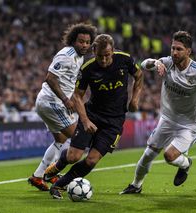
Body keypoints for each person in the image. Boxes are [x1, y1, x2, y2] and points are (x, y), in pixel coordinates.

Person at [120, 31, 196, 194]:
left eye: (179, 49)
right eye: (172, 48)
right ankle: (136, 185)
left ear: (188, 51)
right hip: (167, 119)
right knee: (148, 153)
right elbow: (143, 64)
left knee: (169, 156)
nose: (174, 52)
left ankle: (186, 164)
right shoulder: (166, 62)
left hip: (190, 124)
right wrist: (155, 62)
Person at [43, 34, 143, 199]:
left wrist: (135, 99)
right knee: (73, 156)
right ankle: (57, 166)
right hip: (92, 115)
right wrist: (85, 120)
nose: (103, 60)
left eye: (107, 55)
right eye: (100, 56)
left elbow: (139, 76)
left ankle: (58, 185)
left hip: (114, 122)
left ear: (113, 51)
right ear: (94, 51)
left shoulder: (125, 60)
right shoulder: (88, 68)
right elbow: (77, 96)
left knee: (91, 160)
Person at [27, 23, 97, 191]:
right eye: (81, 41)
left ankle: (38, 176)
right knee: (78, 138)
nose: (85, 45)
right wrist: (66, 99)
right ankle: (52, 175)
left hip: (51, 103)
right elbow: (50, 78)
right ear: (73, 40)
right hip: (52, 102)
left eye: (87, 42)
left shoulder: (80, 58)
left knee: (61, 140)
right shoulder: (66, 54)